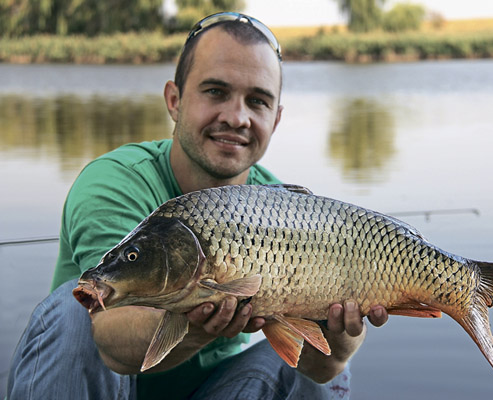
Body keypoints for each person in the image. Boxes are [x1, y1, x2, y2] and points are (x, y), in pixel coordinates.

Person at [7, 12, 388, 400]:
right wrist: (198, 322)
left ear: (275, 119)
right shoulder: (115, 183)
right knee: (77, 308)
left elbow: (326, 367)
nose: (236, 117)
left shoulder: (281, 206)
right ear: (174, 100)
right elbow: (108, 338)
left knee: (306, 374)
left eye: (257, 101)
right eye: (215, 92)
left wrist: (340, 334)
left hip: (219, 390)